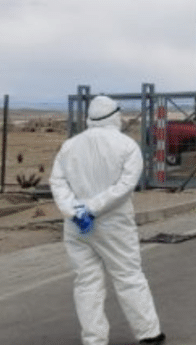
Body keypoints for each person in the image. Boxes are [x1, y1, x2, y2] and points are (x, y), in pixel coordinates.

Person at [49, 95, 165, 345]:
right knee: (128, 276)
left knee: (86, 282)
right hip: (114, 224)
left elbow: (58, 182)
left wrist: (75, 210)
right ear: (115, 115)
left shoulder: (69, 146)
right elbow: (125, 186)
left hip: (77, 226)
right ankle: (148, 334)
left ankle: (94, 339)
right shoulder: (127, 146)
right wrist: (93, 208)